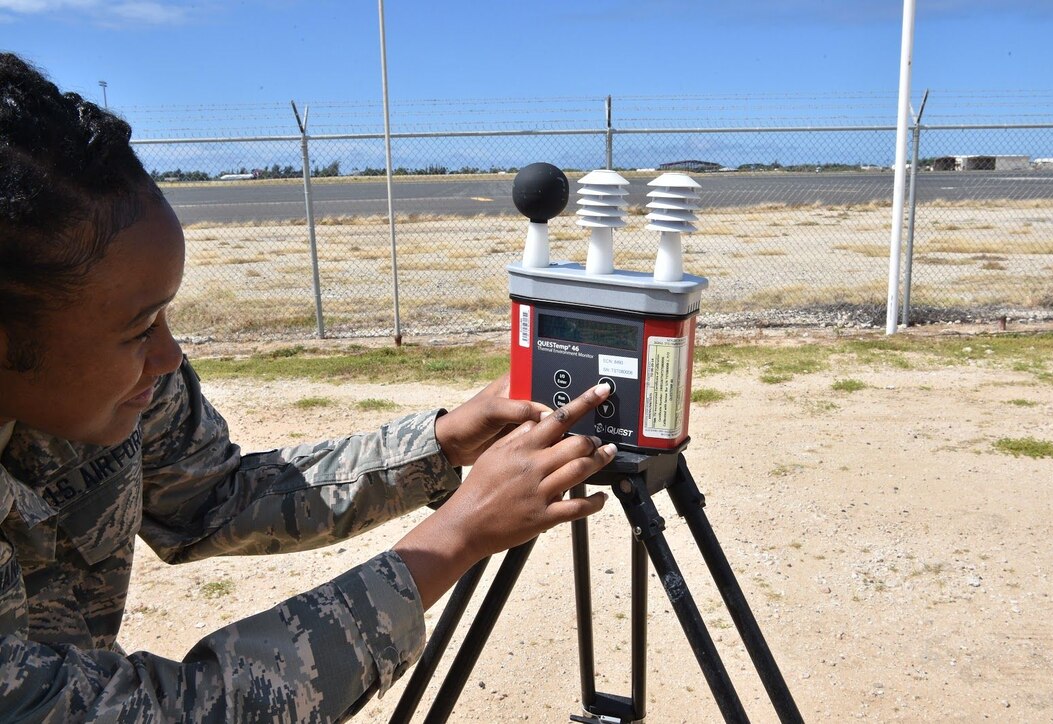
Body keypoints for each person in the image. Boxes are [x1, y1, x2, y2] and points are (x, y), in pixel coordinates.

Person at [0, 52, 615, 721]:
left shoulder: (126, 380)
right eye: (140, 327)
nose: (169, 356)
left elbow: (214, 496)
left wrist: (438, 444)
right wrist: (453, 539)